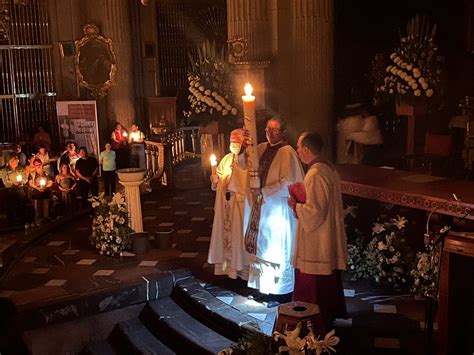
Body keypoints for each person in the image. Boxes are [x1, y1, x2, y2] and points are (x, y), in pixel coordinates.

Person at [288, 131, 348, 330]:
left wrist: (295, 205)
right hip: (324, 239)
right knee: (326, 284)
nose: (297, 151)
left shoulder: (316, 173)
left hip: (316, 244)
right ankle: (326, 320)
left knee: (314, 288)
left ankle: (312, 325)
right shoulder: (327, 169)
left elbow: (315, 213)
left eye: (299, 148)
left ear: (306, 150)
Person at [244, 117, 304, 303]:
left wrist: (264, 192)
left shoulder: (287, 152)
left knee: (275, 248)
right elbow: (245, 164)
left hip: (276, 208)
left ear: (283, 132)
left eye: (275, 130)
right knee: (262, 247)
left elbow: (288, 181)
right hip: (261, 208)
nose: (270, 133)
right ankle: (262, 287)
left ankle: (280, 291)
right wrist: (245, 145)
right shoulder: (261, 148)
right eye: (268, 129)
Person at [208, 129, 250, 280]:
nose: (233, 144)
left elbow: (245, 180)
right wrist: (215, 180)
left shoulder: (247, 160)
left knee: (238, 237)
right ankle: (228, 268)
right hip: (226, 205)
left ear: (244, 142)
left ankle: (241, 269)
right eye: (231, 141)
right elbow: (220, 178)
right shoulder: (226, 159)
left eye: (236, 141)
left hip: (239, 206)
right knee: (226, 237)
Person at [1, 155, 27, 226]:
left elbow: (25, 177)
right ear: (9, 162)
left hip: (20, 190)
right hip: (10, 191)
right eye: (13, 161)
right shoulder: (4, 170)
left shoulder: (21, 168)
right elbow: (5, 181)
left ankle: (22, 221)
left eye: (16, 161)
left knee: (21, 206)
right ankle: (11, 222)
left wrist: (23, 182)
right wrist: (13, 183)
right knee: (10, 207)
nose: (15, 163)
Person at [28, 158, 53, 224]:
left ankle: (46, 223)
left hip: (46, 194)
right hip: (36, 195)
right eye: (37, 165)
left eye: (40, 164)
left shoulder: (46, 173)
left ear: (42, 165)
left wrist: (45, 187)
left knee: (46, 210)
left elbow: (50, 182)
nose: (38, 166)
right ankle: (38, 223)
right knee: (38, 210)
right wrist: (37, 188)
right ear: (34, 166)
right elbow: (30, 183)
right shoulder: (32, 174)